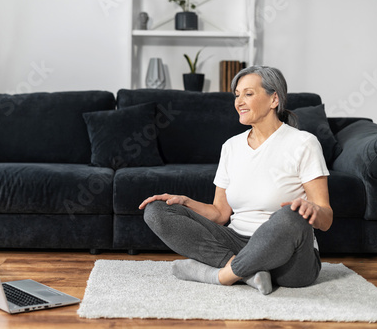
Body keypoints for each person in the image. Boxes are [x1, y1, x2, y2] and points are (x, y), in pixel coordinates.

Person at [139, 65, 333, 295]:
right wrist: (185, 202)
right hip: (237, 242)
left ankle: (222, 275)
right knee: (156, 210)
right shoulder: (231, 147)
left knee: (292, 215)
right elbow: (220, 213)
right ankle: (248, 272)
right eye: (237, 95)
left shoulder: (303, 143)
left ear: (274, 99)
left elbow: (326, 218)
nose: (239, 102)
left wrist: (311, 210)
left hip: (290, 261)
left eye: (248, 94)